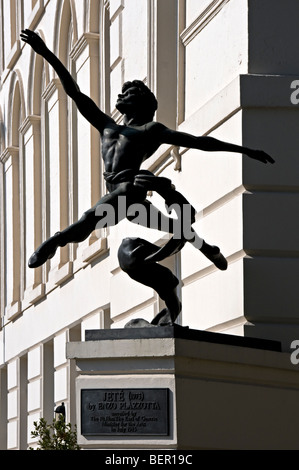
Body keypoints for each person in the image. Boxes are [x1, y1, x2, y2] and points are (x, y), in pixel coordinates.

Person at [20, 29, 275, 273]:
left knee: (90, 218)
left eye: (129, 93)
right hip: (125, 203)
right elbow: (74, 92)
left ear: (142, 102)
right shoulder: (106, 126)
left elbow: (199, 142)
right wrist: (46, 53)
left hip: (129, 190)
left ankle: (53, 243)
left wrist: (244, 150)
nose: (122, 95)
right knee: (172, 227)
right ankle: (208, 248)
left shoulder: (150, 130)